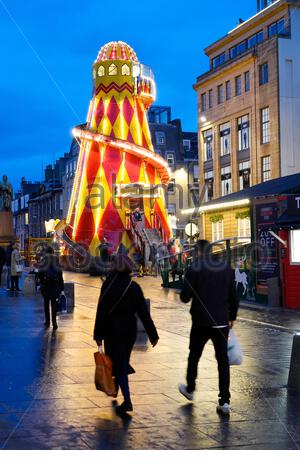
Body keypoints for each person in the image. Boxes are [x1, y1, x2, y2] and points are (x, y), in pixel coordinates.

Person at [93, 253, 159, 415]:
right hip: (130, 332)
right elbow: (143, 313)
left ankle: (127, 400)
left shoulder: (108, 285)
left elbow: (101, 311)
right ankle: (116, 385)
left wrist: (98, 334)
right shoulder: (134, 287)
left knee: (120, 364)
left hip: (112, 331)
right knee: (121, 361)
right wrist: (153, 334)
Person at [178, 240, 239, 415]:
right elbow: (234, 296)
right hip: (221, 321)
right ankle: (225, 401)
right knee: (222, 361)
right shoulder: (226, 268)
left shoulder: (195, 268)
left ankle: (190, 388)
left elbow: (184, 297)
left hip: (201, 321)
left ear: (198, 252)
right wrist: (232, 316)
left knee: (194, 355)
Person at [38, 246, 64, 330]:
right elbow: (60, 275)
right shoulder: (57, 261)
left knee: (46, 304)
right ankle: (54, 322)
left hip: (46, 285)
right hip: (55, 285)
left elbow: (40, 273)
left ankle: (47, 321)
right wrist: (62, 288)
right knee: (54, 304)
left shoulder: (44, 260)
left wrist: (41, 282)